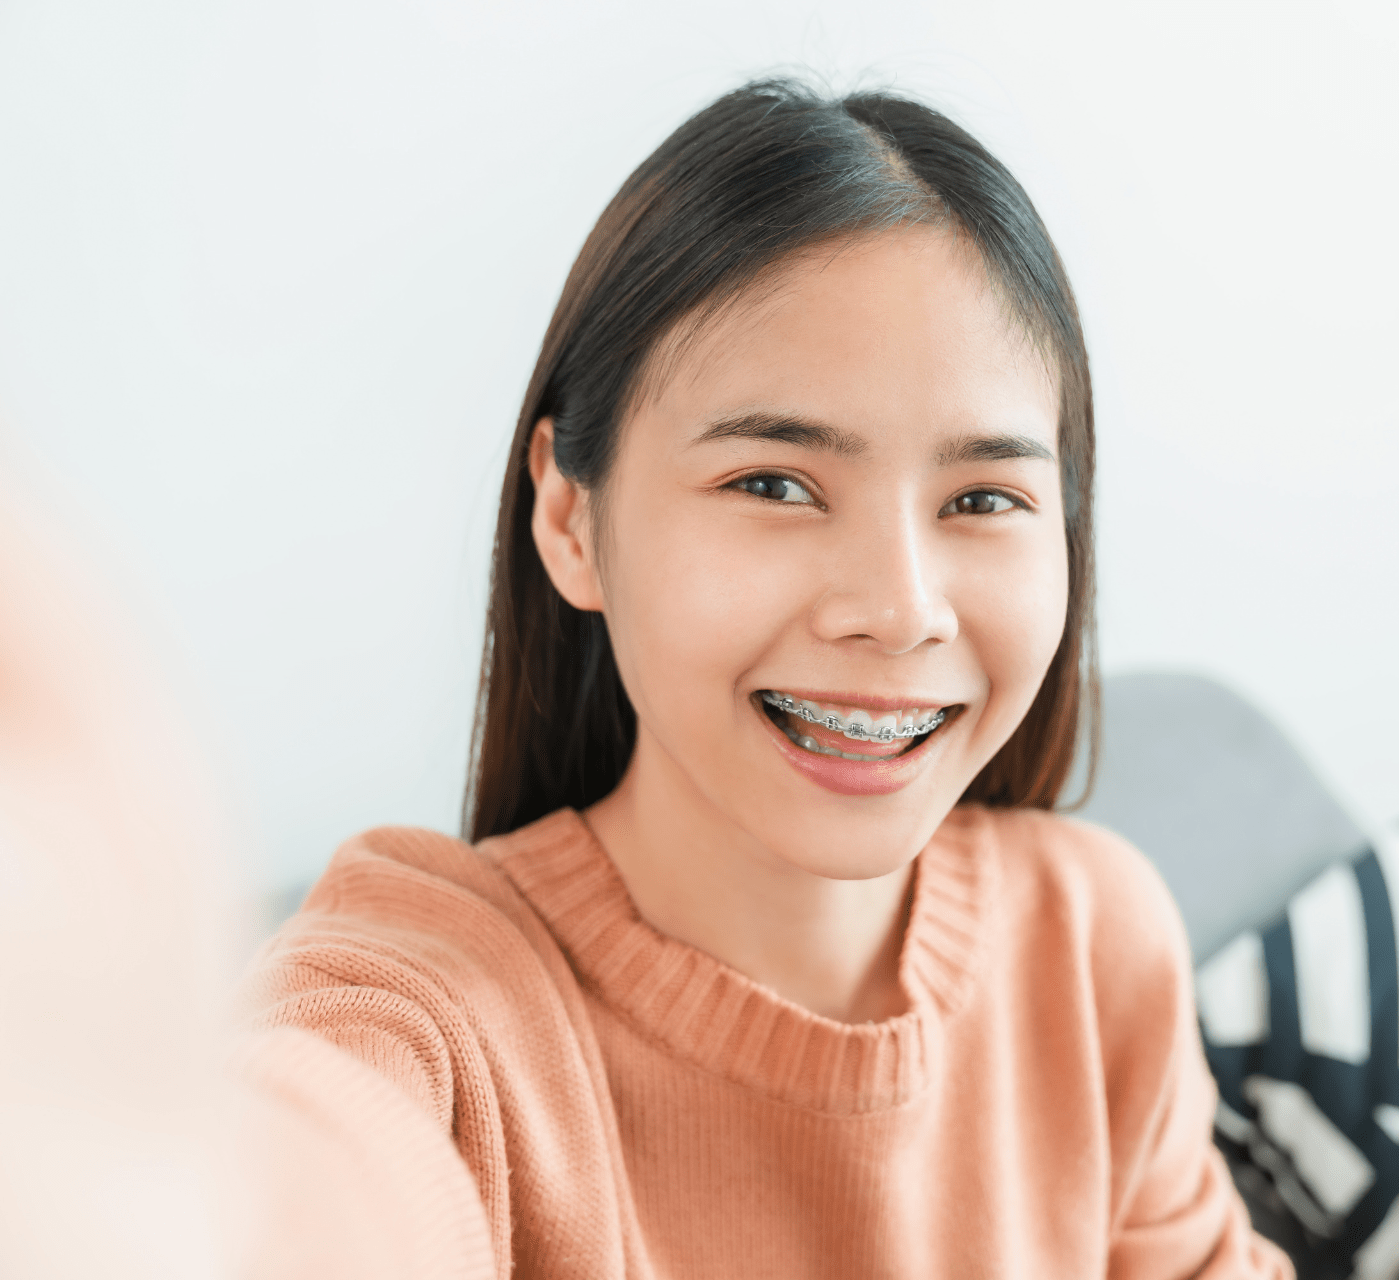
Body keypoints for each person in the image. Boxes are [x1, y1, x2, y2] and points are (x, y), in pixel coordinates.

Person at [241, 79, 1293, 1279]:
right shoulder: (435, 1004)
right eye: (775, 484)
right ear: (570, 515)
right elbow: (294, 1167)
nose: (900, 610)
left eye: (982, 499)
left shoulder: (1092, 942)